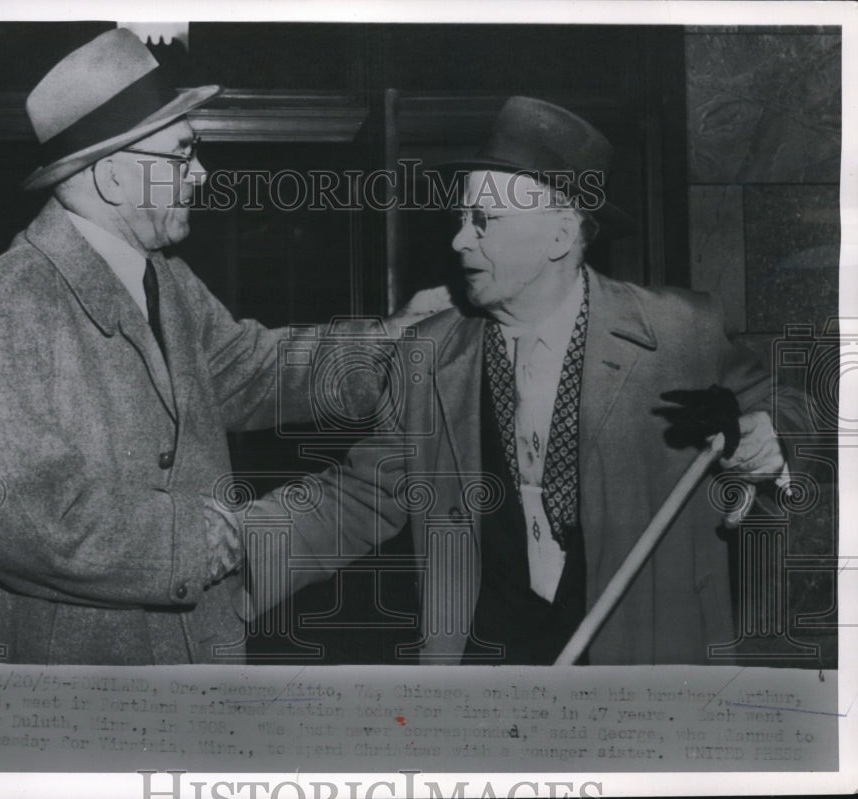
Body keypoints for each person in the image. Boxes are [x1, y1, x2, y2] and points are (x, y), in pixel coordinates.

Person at [0, 29, 444, 665]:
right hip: (77, 692)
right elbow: (9, 512)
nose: (202, 173)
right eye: (183, 154)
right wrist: (185, 541)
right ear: (112, 176)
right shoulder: (20, 295)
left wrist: (388, 340)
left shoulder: (161, 277)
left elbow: (249, 370)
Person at [232, 97, 808, 665]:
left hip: (644, 663)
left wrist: (768, 439)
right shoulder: (428, 355)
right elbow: (362, 494)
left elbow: (794, 411)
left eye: (484, 220)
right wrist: (236, 546)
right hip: (491, 664)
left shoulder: (680, 332)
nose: (459, 240)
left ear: (559, 235)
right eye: (460, 218)